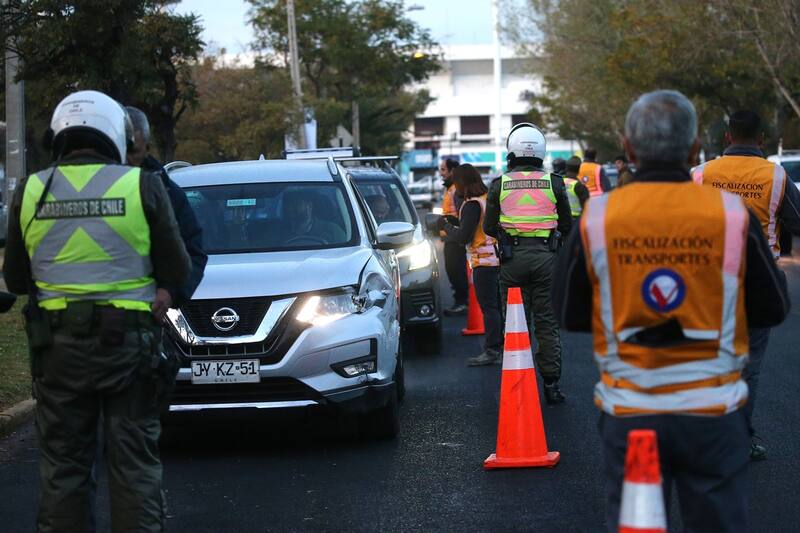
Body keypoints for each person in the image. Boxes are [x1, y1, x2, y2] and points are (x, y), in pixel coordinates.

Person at [553, 90, 789, 532]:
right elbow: (772, 307)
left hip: (633, 412)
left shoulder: (599, 217)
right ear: (696, 147)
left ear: (627, 146)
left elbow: (568, 312)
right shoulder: (730, 213)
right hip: (713, 416)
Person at [3, 90, 191, 531]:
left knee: (64, 468)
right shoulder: (140, 184)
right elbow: (178, 269)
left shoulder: (31, 190)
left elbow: (14, 280)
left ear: (58, 137)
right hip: (129, 347)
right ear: (116, 135)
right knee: (134, 467)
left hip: (57, 352)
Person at [691, 109, 800, 461]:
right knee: (749, 365)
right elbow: (797, 224)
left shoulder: (700, 175)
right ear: (762, 140)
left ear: (727, 138)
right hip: (758, 282)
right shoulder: (777, 176)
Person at [484, 122, 573, 404]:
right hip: (547, 259)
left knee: (516, 323)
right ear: (541, 151)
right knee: (547, 323)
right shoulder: (554, 182)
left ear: (512, 150)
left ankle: (518, 383)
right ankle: (552, 385)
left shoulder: (499, 184)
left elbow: (488, 227)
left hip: (512, 260)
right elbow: (568, 225)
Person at [125, 106, 207, 308]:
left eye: (133, 151)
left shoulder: (167, 192)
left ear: (147, 148)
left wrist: (170, 292)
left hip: (144, 315)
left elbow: (192, 250)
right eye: (121, 150)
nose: (127, 160)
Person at [440, 164, 502, 366]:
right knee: (497, 307)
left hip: (483, 262)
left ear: (462, 183)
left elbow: (462, 236)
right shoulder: (486, 199)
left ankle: (492, 350)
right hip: (496, 258)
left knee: (489, 308)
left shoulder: (472, 204)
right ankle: (501, 347)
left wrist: (444, 226)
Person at [439, 158, 468, 316]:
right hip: (451, 235)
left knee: (455, 270)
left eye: (443, 169)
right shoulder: (451, 187)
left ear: (452, 171)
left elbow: (461, 214)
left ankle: (462, 302)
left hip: (455, 237)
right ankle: (461, 301)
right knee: (453, 270)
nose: (441, 172)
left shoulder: (456, 189)